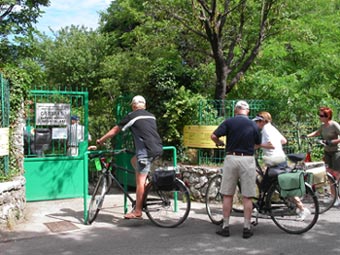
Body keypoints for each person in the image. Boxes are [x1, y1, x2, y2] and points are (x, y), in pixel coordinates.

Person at [96, 95, 163, 219]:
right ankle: (146, 186)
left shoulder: (132, 116)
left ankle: (137, 211)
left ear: (133, 106)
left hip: (145, 152)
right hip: (157, 148)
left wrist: (100, 141)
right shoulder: (151, 116)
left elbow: (115, 130)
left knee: (139, 182)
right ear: (145, 105)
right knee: (134, 160)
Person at [211, 100, 261, 239]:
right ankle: (246, 227)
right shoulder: (253, 124)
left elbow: (213, 136)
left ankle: (226, 227)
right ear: (248, 111)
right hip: (247, 160)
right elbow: (258, 144)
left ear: (235, 110)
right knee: (247, 196)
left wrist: (220, 143)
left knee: (227, 194)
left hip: (231, 158)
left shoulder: (229, 122)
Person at [253, 111, 311, 220]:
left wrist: (259, 145)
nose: (257, 123)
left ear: (262, 121)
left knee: (282, 186)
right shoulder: (272, 128)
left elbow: (272, 145)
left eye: (258, 121)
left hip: (275, 162)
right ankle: (261, 208)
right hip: (280, 159)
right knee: (267, 185)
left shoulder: (266, 129)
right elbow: (284, 140)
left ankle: (302, 209)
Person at [305, 106, 340, 206]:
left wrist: (332, 141)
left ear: (327, 116)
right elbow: (317, 132)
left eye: (321, 115)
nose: (319, 117)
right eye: (319, 115)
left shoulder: (334, 125)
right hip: (327, 152)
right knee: (329, 175)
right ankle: (333, 197)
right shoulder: (323, 126)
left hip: (336, 151)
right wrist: (307, 135)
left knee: (336, 175)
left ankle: (337, 196)